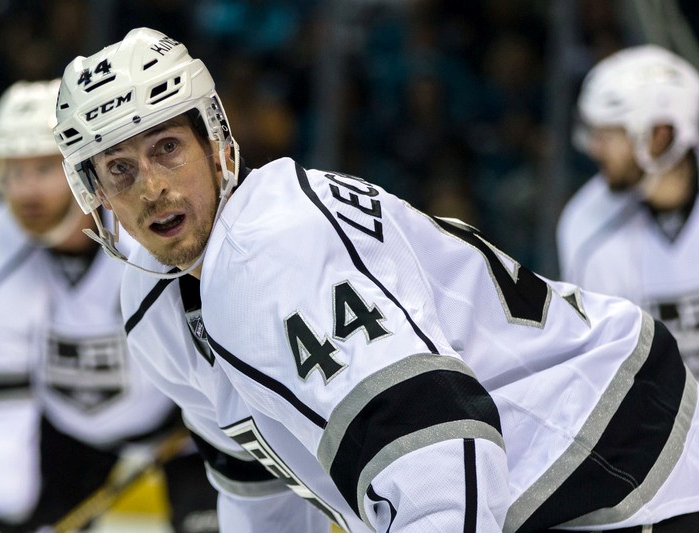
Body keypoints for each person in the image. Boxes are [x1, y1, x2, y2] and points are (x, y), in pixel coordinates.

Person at [53, 28, 699, 532]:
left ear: (216, 142)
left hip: (615, 460)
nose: (152, 185)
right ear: (96, 194)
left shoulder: (279, 247)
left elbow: (440, 450)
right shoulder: (152, 303)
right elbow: (255, 481)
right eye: (119, 169)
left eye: (166, 148)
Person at [0, 79, 219, 533]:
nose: (26, 192)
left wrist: (221, 417)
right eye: (13, 173)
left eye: (42, 169)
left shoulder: (156, 226)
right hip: (70, 432)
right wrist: (8, 512)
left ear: (83, 168)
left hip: (188, 425)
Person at [557, 44, 699, 378]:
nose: (594, 147)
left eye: (609, 133)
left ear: (660, 136)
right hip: (663, 425)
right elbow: (602, 374)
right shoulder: (587, 225)